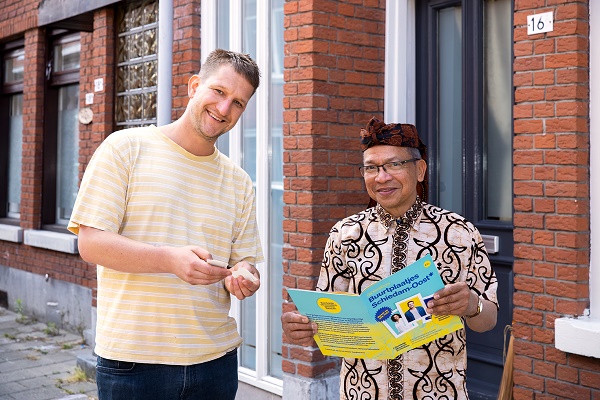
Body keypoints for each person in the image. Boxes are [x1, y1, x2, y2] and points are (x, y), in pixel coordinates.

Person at [68, 49, 263, 400]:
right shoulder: (125, 148)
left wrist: (245, 276)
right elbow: (91, 243)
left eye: (238, 103)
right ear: (194, 86)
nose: (224, 109)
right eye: (219, 92)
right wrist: (170, 260)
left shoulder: (239, 181)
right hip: (134, 364)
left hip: (216, 363)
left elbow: (245, 260)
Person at [282, 117, 498, 400]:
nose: (381, 177)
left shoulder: (459, 233)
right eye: (371, 168)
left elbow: (489, 319)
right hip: (362, 392)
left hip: (439, 392)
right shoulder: (345, 234)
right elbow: (330, 314)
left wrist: (471, 305)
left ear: (419, 170)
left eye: (394, 165)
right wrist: (304, 326)